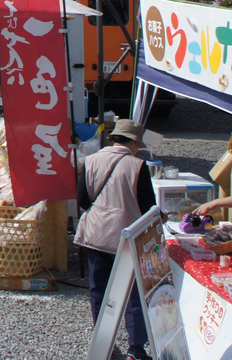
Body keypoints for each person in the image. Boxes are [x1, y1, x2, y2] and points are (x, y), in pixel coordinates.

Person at [76, 120, 157, 360]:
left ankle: (104, 347)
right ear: (133, 143)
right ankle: (136, 350)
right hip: (126, 237)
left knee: (98, 291)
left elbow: (83, 201)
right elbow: (148, 207)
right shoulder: (137, 166)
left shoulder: (90, 161)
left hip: (96, 235)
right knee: (134, 295)